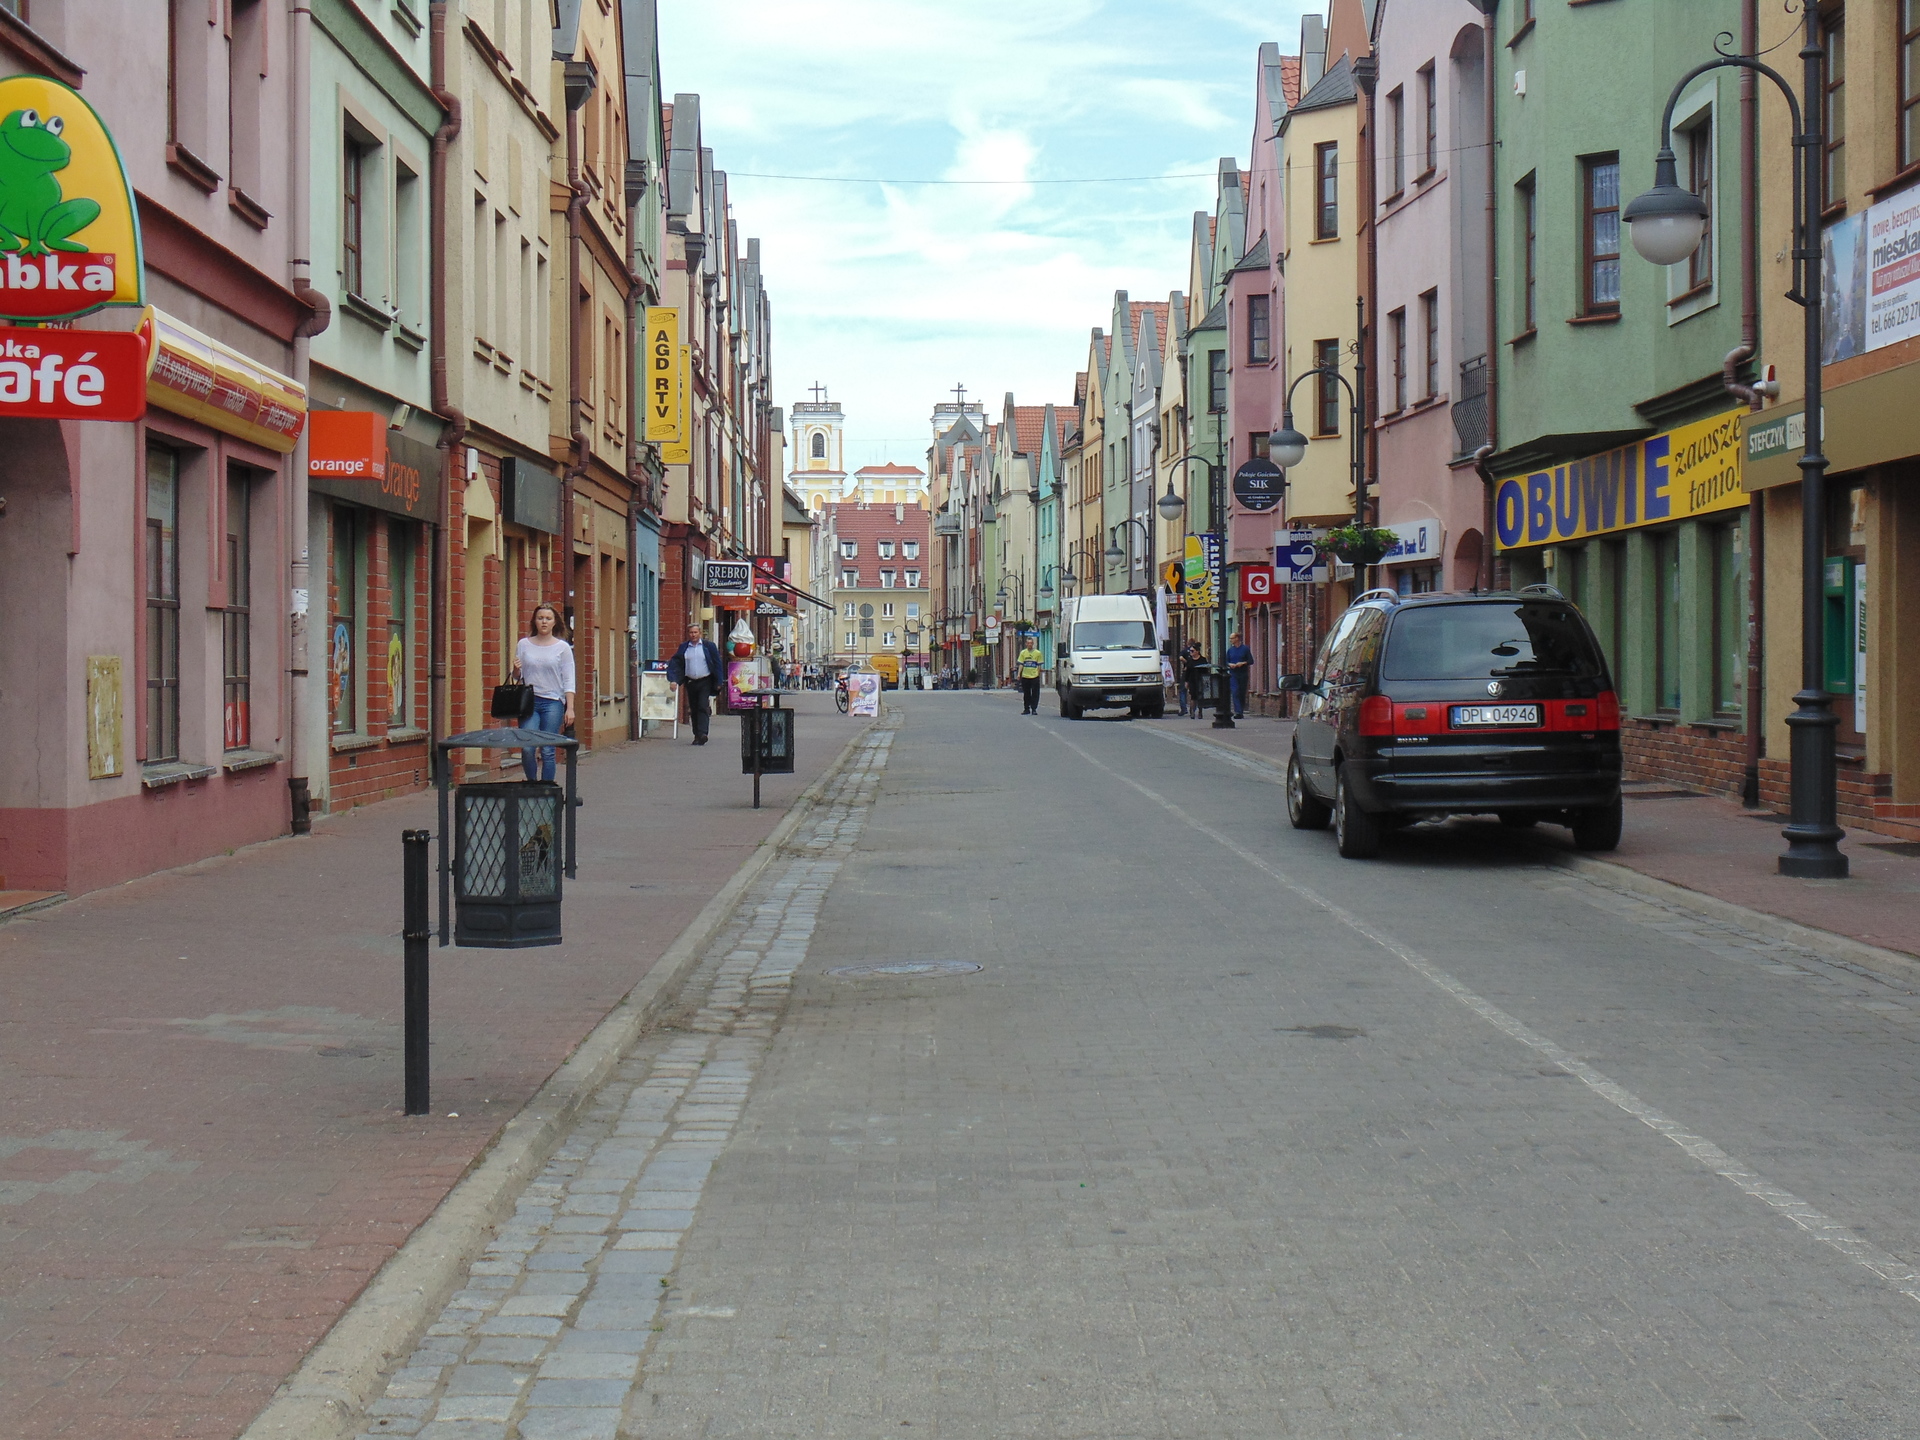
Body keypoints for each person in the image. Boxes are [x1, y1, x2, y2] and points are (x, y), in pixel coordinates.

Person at [515, 603, 575, 782]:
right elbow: (517, 677)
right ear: (534, 621)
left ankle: (547, 789)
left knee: (548, 749)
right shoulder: (524, 644)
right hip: (529, 702)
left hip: (553, 702)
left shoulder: (562, 648)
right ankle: (532, 784)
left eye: (548, 618)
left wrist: (570, 708)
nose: (544, 622)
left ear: (554, 622)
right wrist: (515, 669)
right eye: (540, 618)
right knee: (527, 747)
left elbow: (569, 679)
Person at [665, 621, 724, 745]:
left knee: (702, 706)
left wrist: (719, 681)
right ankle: (696, 735)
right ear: (688, 634)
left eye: (695, 632)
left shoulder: (709, 646)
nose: (693, 635)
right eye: (691, 632)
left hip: (705, 680)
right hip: (691, 681)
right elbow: (676, 663)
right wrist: (674, 680)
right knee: (694, 708)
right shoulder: (684, 647)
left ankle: (703, 733)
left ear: (700, 633)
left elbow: (717, 663)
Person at [1225, 630, 1254, 719]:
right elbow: (1226, 661)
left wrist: (1243, 663)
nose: (1230, 640)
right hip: (1233, 673)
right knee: (1235, 691)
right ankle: (1238, 711)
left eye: (1232, 638)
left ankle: (1240, 710)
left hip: (1242, 673)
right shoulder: (1230, 650)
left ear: (1237, 638)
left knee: (1241, 692)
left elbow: (1251, 661)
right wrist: (1230, 664)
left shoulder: (1245, 649)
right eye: (1230, 638)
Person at [1015, 636, 1044, 715]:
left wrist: (1038, 674)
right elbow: (1021, 664)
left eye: (1031, 643)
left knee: (1035, 693)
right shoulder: (1023, 653)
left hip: (1034, 676)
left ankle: (1034, 708)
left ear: (1033, 644)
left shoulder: (1038, 653)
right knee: (1026, 693)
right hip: (1025, 676)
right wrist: (1019, 674)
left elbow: (1039, 665)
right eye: (1028, 643)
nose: (1029, 644)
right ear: (1026, 644)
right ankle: (1026, 708)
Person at [1182, 641, 1209, 719]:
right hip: (1192, 680)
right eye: (1190, 651)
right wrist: (1186, 682)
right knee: (1193, 696)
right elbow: (1187, 672)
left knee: (1200, 696)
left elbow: (1206, 670)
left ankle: (1200, 712)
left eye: (1192, 651)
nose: (1191, 652)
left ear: (1197, 651)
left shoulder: (1203, 660)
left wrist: (1206, 680)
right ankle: (1192, 712)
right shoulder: (1190, 660)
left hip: (1200, 680)